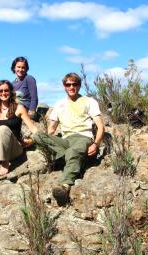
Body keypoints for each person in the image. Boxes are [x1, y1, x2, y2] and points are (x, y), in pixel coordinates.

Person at [33, 72, 105, 206]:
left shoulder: (89, 101)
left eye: (75, 84)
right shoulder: (59, 104)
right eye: (68, 84)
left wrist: (95, 144)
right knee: (37, 136)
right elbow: (52, 128)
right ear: (64, 86)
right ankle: (74, 159)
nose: (72, 87)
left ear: (79, 85)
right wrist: (49, 140)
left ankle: (64, 186)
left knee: (73, 151)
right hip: (66, 139)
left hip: (83, 137)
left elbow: (100, 126)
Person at [0, 80, 38, 176]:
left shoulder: (19, 108)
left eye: (6, 90)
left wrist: (35, 139)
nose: (3, 93)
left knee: (2, 128)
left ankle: (5, 162)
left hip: (14, 149)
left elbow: (32, 128)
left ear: (11, 92)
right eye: (0, 91)